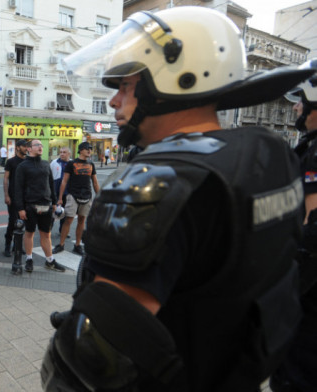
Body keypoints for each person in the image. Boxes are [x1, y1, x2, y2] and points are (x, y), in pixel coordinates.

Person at [40, 7, 314, 391]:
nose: (114, 101)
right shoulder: (266, 153)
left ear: (175, 78)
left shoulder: (162, 181)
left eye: (125, 86)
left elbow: (97, 352)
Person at [271, 58, 317, 392]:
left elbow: (309, 224)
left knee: (297, 372)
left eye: (301, 99)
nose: (296, 107)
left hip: (309, 291)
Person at [13, 140, 64, 273]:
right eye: (37, 145)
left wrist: (54, 202)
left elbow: (51, 184)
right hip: (30, 206)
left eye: (41, 145)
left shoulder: (46, 164)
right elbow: (17, 189)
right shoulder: (23, 166)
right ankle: (29, 259)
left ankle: (50, 261)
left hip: (46, 205)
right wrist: (20, 208)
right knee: (29, 233)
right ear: (29, 149)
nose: (40, 147)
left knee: (46, 235)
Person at [53, 142, 99, 256]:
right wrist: (60, 198)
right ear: (81, 150)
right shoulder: (71, 163)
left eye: (90, 149)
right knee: (68, 220)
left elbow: (95, 182)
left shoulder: (91, 164)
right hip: (73, 195)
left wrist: (99, 196)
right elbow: (64, 181)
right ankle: (61, 244)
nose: (89, 151)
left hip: (87, 196)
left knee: (82, 220)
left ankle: (78, 245)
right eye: (87, 148)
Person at [2, 139, 28, 257]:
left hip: (26, 197)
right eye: (24, 146)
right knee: (13, 221)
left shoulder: (28, 161)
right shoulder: (11, 161)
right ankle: (7, 246)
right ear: (17, 147)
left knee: (23, 222)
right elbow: (6, 179)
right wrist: (6, 195)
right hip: (13, 196)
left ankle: (17, 246)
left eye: (27, 146)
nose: (26, 148)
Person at [49, 147, 71, 236]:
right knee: (53, 211)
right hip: (55, 191)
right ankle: (48, 229)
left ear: (69, 154)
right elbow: (49, 177)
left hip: (67, 192)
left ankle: (62, 230)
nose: (62, 154)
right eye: (61, 152)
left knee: (65, 212)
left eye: (64, 152)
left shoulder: (72, 163)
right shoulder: (54, 163)